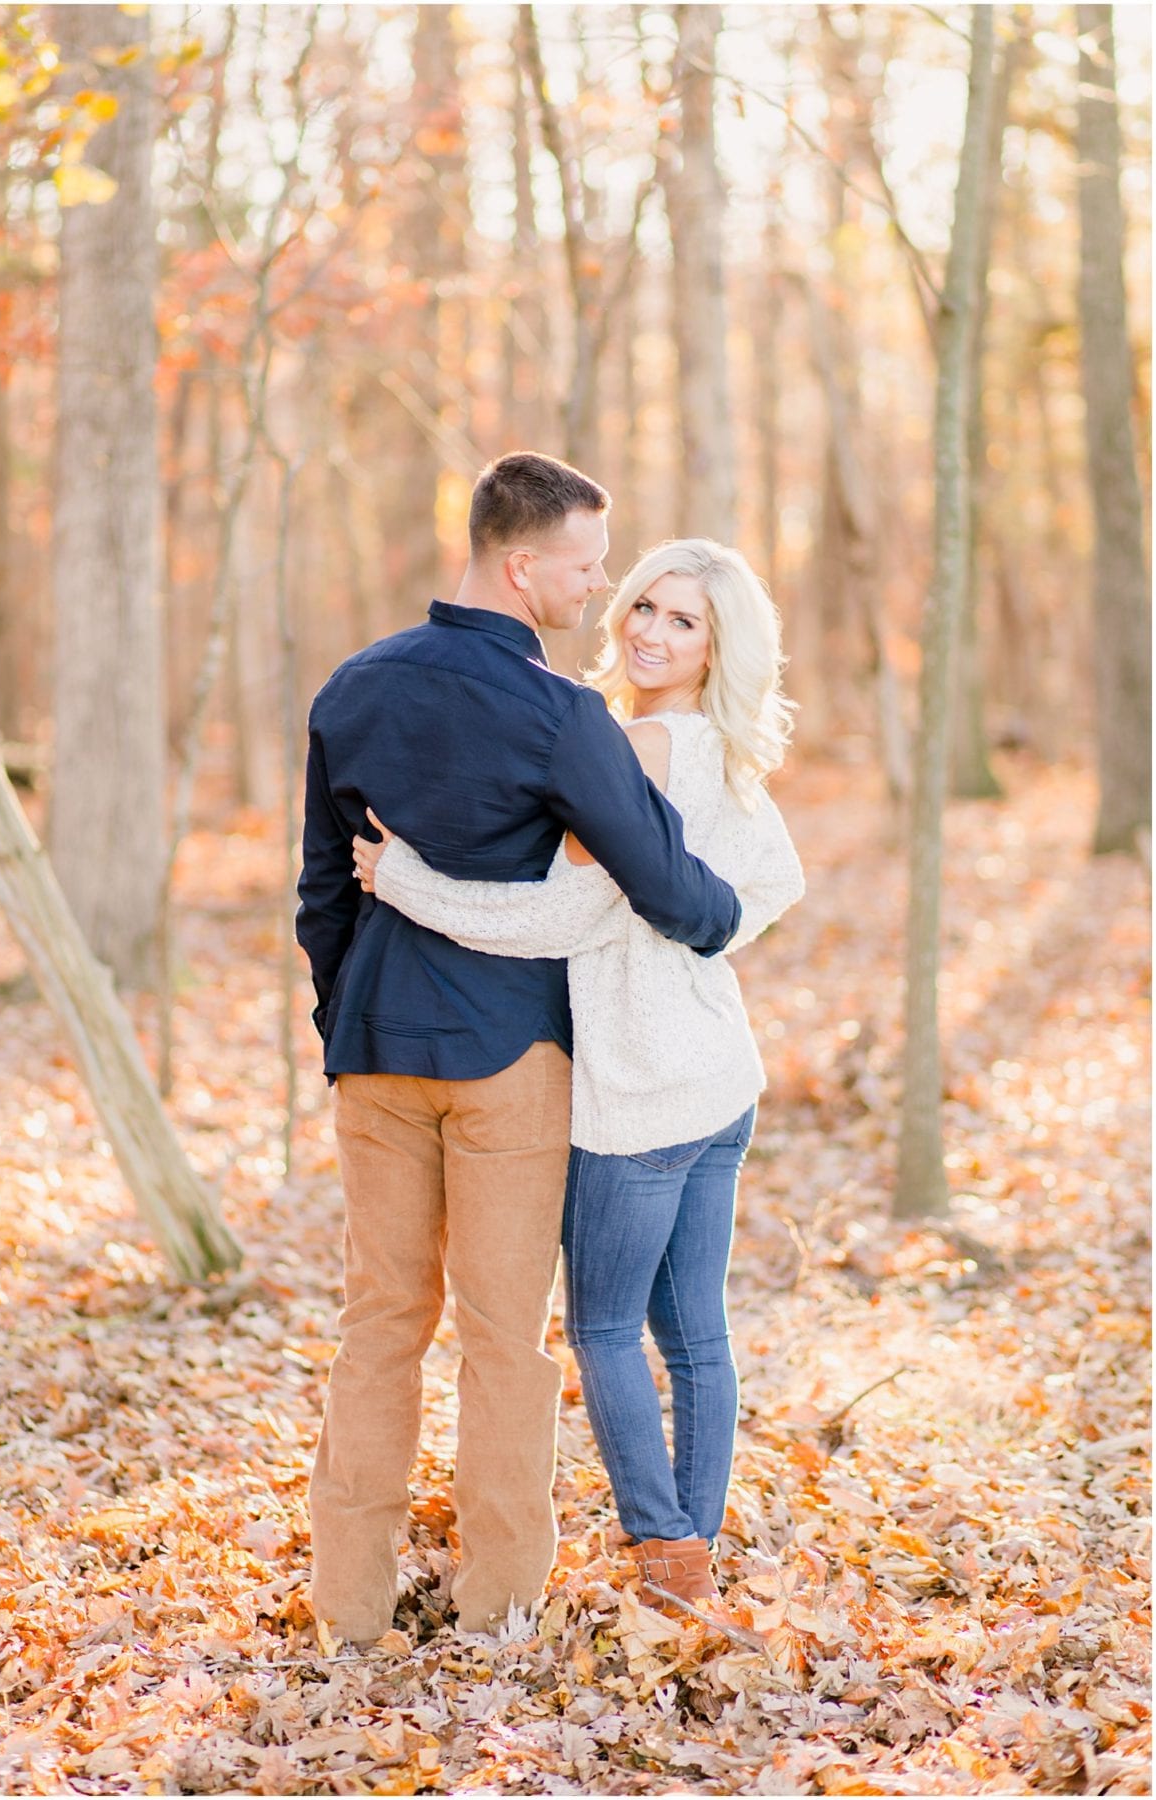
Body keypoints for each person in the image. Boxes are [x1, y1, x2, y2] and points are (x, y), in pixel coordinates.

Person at [296, 456, 742, 1647]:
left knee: (380, 1320)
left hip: (375, 1049)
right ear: (522, 564)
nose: (600, 590)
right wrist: (725, 912)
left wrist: (347, 1020)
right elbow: (662, 882)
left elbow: (320, 896)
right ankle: (497, 1607)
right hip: (507, 1060)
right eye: (589, 565)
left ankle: (347, 1609)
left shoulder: (353, 689)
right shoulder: (560, 714)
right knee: (504, 1333)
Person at [353, 538, 804, 1615]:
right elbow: (771, 880)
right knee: (696, 1334)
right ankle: (690, 1557)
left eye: (683, 620)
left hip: (645, 1091)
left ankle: (665, 1552)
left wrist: (407, 880)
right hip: (720, 1077)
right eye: (644, 604)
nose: (650, 628)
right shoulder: (721, 746)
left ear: (717, 645)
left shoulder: (637, 743)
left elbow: (557, 916)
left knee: (606, 1329)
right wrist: (702, 928)